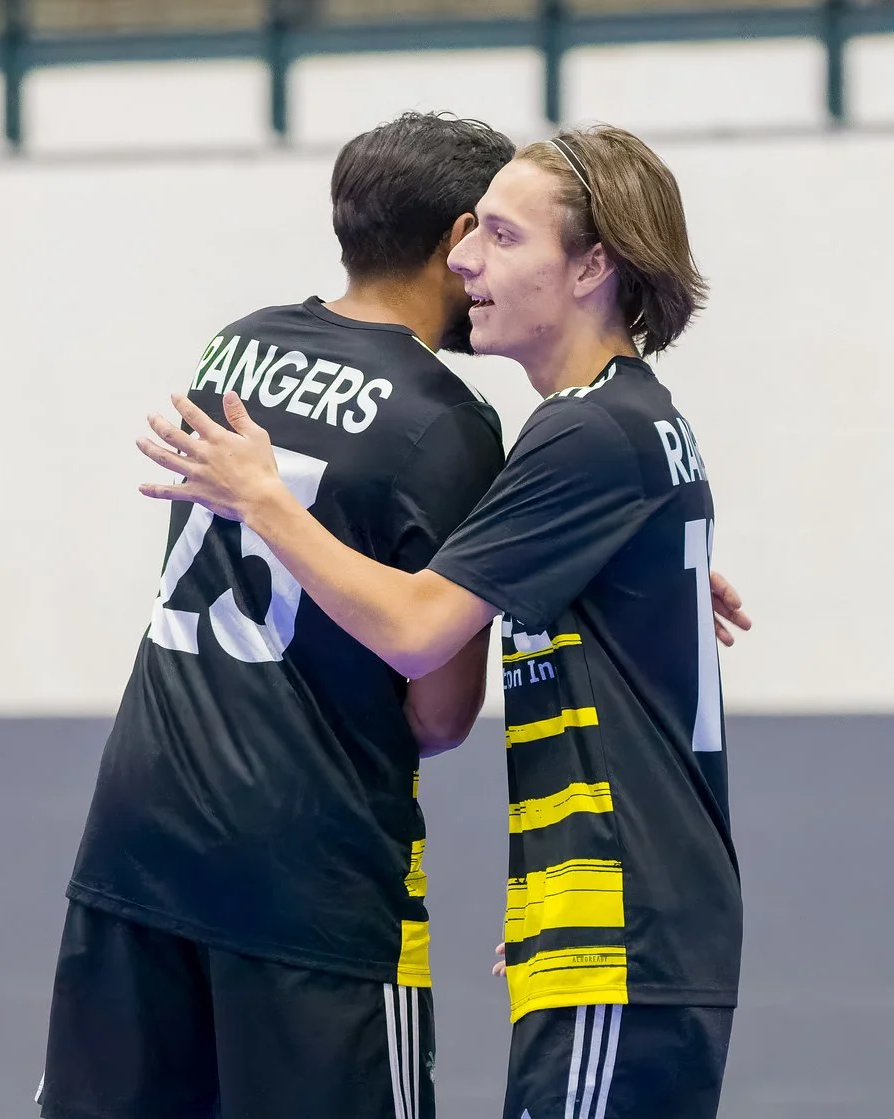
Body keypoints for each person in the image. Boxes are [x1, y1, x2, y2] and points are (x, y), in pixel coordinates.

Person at [138, 124, 750, 1119]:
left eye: (504, 237)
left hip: (626, 925)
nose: (464, 258)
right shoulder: (616, 426)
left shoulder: (589, 433)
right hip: (609, 918)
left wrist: (265, 499)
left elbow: (419, 630)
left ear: (593, 265)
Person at [37, 111, 517, 1119]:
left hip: (138, 841)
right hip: (310, 872)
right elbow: (436, 716)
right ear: (457, 233)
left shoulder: (236, 347)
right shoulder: (445, 419)